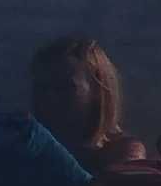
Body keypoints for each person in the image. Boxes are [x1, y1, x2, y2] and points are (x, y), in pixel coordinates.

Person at [28, 36, 143, 168]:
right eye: (41, 86)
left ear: (97, 92)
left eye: (64, 87)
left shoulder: (119, 155)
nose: (49, 97)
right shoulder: (24, 150)